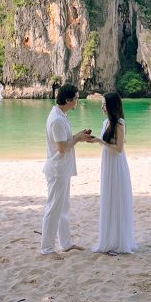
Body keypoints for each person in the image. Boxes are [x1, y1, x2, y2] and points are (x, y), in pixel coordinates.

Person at [40, 83, 94, 256]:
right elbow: (62, 148)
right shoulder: (56, 119)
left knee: (63, 207)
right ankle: (47, 248)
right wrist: (78, 138)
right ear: (69, 99)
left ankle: (66, 243)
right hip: (57, 170)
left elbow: (64, 141)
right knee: (53, 208)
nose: (78, 101)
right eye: (76, 98)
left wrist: (79, 135)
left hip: (63, 169)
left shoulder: (61, 115)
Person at [92, 92, 137, 255]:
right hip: (108, 164)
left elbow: (118, 149)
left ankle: (119, 241)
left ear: (111, 106)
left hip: (117, 165)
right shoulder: (106, 123)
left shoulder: (119, 123)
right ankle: (109, 239)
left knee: (117, 199)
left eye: (104, 104)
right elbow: (106, 145)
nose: (102, 107)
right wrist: (98, 141)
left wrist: (99, 141)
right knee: (108, 198)